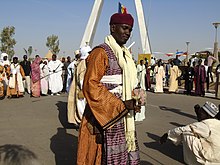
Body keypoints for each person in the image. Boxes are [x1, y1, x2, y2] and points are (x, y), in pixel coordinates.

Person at [77, 12, 142, 164]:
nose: (127, 33)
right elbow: (90, 85)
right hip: (102, 115)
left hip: (123, 115)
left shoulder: (125, 55)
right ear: (113, 27)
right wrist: (120, 105)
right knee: (100, 155)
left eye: (130, 30)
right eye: (124, 28)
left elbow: (129, 82)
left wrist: (135, 97)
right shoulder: (101, 52)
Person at [67, 45, 91, 127]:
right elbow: (81, 79)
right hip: (82, 89)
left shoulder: (83, 62)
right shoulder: (83, 63)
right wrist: (83, 89)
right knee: (82, 107)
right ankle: (82, 123)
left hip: (81, 88)